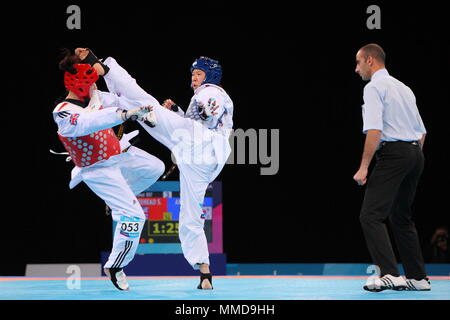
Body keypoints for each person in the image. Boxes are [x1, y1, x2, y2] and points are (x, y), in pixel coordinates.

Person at [80, 49, 233, 289]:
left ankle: (104, 70)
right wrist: (178, 114)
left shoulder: (211, 92)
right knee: (191, 215)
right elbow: (199, 123)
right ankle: (205, 272)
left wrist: (190, 113)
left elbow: (208, 111)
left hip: (200, 144)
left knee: (144, 103)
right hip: (203, 160)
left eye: (199, 73)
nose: (194, 78)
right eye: (193, 73)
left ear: (211, 76)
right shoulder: (209, 96)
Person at [53, 49, 165, 291]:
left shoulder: (96, 95)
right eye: (89, 79)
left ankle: (118, 201)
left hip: (118, 156)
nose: (92, 84)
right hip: (97, 169)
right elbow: (89, 122)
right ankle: (116, 266)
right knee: (135, 216)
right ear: (75, 79)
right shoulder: (63, 112)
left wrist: (146, 110)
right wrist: (124, 114)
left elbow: (123, 100)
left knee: (155, 166)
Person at [353, 43, 430, 292]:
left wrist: (364, 167)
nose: (356, 69)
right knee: (401, 216)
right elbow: (422, 132)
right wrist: (411, 157)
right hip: (415, 154)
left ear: (370, 61)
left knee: (370, 215)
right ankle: (418, 278)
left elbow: (375, 130)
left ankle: (390, 273)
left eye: (358, 63)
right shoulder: (404, 88)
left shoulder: (373, 87)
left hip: (394, 154)